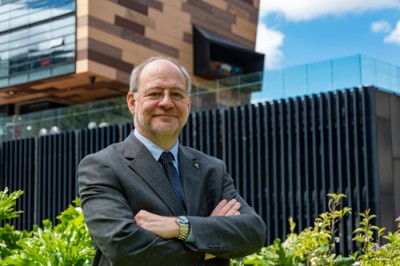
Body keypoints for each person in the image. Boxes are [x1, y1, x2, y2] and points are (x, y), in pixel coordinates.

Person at [78, 56, 266, 266]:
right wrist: (210, 241)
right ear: (132, 102)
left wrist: (180, 227)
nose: (166, 102)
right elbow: (122, 247)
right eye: (155, 93)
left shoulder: (211, 169)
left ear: (187, 103)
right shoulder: (102, 166)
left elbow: (253, 232)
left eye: (176, 94)